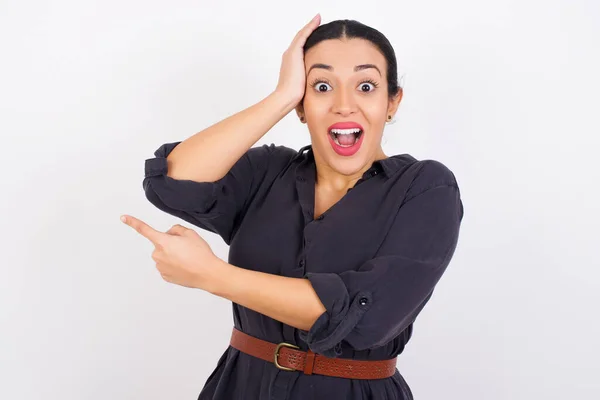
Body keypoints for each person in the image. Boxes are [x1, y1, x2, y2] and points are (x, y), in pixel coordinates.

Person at [129, 14, 464, 400]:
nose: (343, 105)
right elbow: (172, 181)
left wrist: (211, 275)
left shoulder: (425, 188)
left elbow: (367, 318)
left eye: (366, 86)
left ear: (392, 102)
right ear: (302, 106)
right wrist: (281, 97)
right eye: (321, 86)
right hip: (241, 388)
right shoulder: (269, 172)